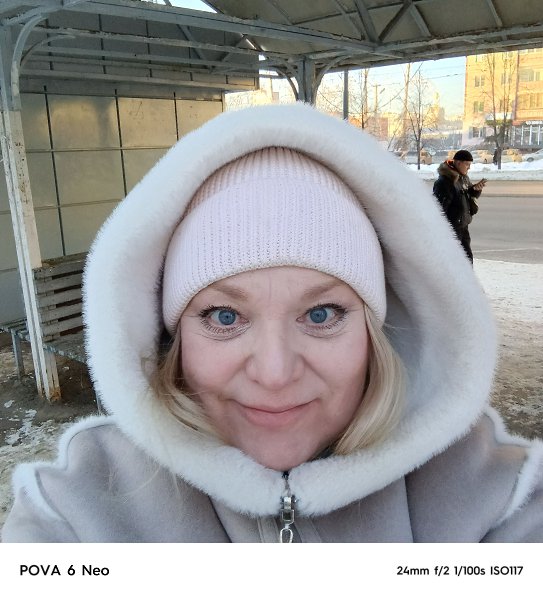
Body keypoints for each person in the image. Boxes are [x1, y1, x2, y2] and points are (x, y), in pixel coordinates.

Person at [3, 104, 543, 543]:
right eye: (225, 316)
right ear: (174, 337)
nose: (275, 373)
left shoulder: (500, 495)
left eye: (321, 314)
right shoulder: (79, 509)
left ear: (375, 332)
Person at [432, 149, 486, 262]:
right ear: (458, 162)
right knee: (454, 260)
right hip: (451, 229)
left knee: (467, 259)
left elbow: (467, 194)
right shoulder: (445, 182)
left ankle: (466, 274)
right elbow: (439, 209)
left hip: (463, 225)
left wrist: (475, 190)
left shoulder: (463, 177)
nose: (469, 168)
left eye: (470, 164)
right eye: (467, 164)